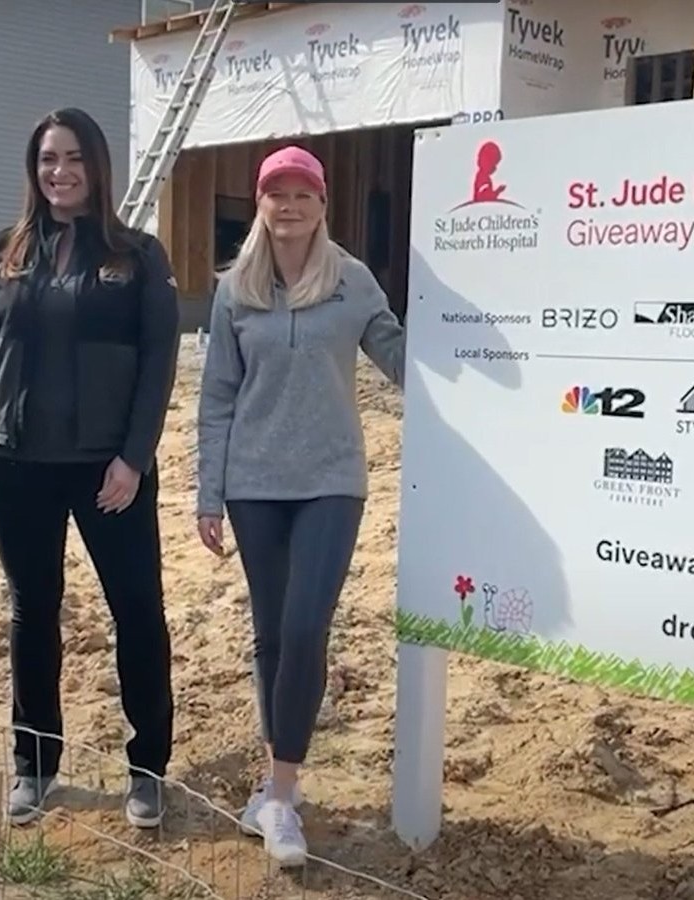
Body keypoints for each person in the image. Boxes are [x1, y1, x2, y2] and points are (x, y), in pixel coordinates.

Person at [0, 108, 180, 828]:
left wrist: (133, 458)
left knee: (136, 610)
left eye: (74, 158)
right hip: (13, 465)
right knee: (32, 610)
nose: (60, 171)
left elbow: (158, 364)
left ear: (96, 166)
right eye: (48, 158)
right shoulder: (0, 251)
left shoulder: (138, 256)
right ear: (34, 168)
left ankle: (147, 769)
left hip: (108, 471)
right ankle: (34, 763)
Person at [194, 145, 406, 865]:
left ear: (322, 206)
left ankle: (281, 797)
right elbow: (217, 397)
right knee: (272, 636)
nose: (289, 206)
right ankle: (276, 778)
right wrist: (209, 493)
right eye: (275, 194)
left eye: (302, 195)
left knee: (306, 626)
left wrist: (463, 342)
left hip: (330, 482)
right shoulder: (236, 289)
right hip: (253, 485)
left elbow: (400, 359)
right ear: (260, 204)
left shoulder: (351, 281)